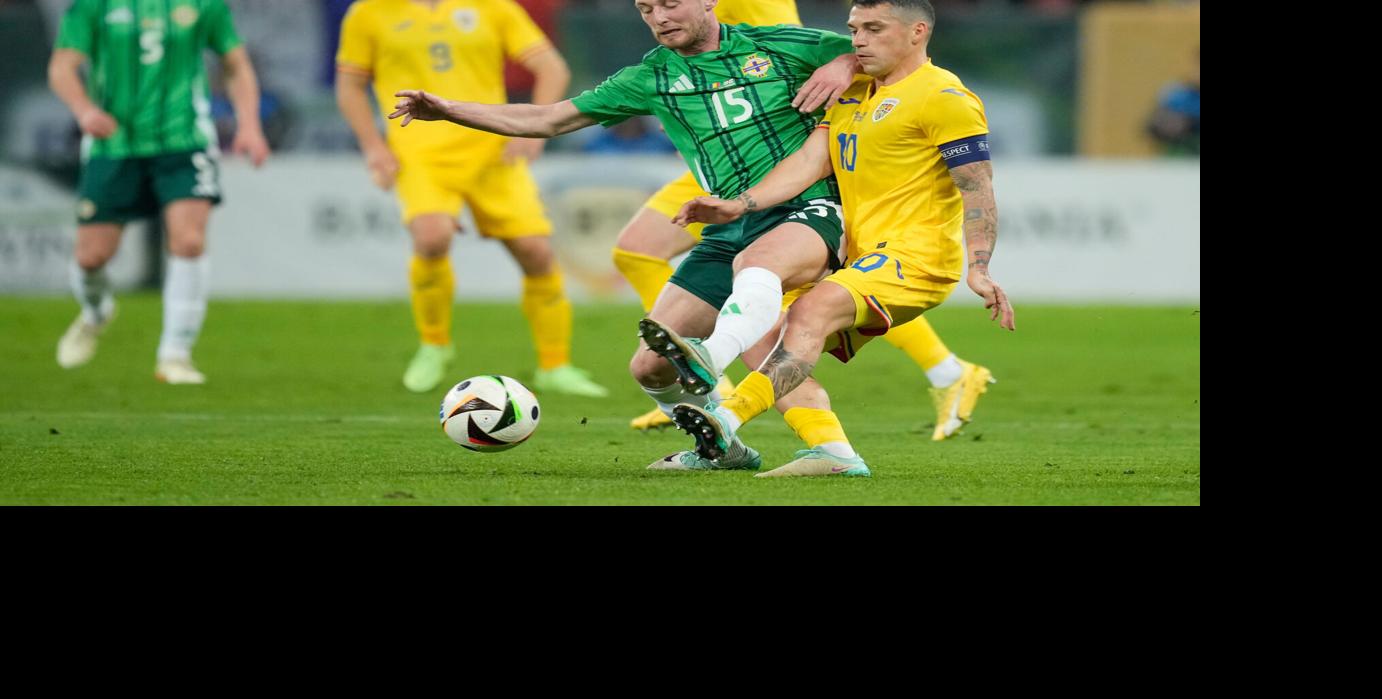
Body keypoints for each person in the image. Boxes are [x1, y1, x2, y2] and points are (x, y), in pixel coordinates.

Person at [390, 0, 873, 474]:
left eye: (670, 4)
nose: (659, 18)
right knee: (650, 367)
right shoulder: (651, 77)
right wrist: (451, 110)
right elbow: (550, 119)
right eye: (646, 9)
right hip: (730, 224)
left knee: (758, 272)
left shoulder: (783, 45)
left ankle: (715, 360)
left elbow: (885, 48)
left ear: (709, 2)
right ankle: (728, 450)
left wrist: (845, 62)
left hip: (810, 206)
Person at [614, 0, 995, 441]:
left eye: (872, 29)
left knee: (798, 304)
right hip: (841, 226)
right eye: (854, 29)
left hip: (906, 249)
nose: (858, 40)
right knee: (767, 336)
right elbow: (811, 162)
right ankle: (828, 447)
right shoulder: (855, 94)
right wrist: (740, 199)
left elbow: (977, 185)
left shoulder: (942, 96)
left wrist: (980, 266)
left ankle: (720, 394)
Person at [335, 0, 609, 397]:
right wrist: (373, 146)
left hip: (492, 149)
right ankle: (434, 345)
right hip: (420, 153)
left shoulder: (492, 7)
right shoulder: (370, 11)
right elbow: (350, 84)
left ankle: (555, 365)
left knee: (536, 252)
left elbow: (552, 67)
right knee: (432, 237)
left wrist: (528, 134)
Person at [49, 0, 271, 384]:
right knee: (91, 257)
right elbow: (62, 66)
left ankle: (175, 355)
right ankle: (97, 312)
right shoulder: (93, 6)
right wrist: (84, 110)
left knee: (188, 241)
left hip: (185, 140)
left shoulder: (204, 5)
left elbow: (235, 63)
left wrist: (249, 124)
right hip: (114, 144)